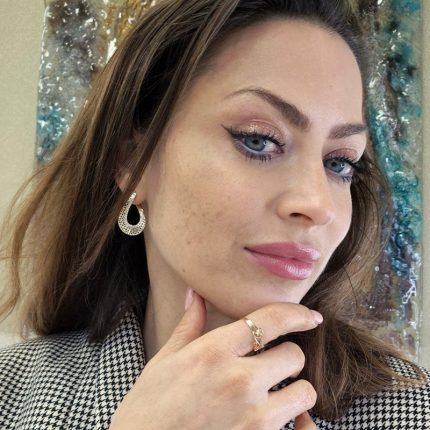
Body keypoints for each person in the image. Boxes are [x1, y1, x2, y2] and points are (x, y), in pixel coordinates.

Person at [0, 0, 429, 428]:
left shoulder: (412, 414)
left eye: (339, 162)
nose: (317, 205)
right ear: (132, 162)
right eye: (258, 140)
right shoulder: (10, 393)